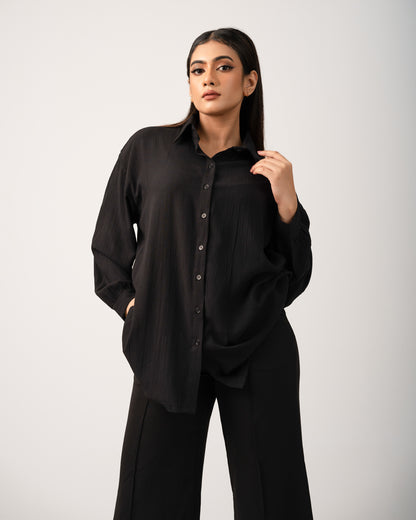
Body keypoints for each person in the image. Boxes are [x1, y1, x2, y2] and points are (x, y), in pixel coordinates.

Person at [91, 27, 314, 520]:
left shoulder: (269, 173)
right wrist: (136, 308)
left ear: (250, 82)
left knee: (273, 499)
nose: (208, 78)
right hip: (165, 346)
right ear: (189, 82)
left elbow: (295, 278)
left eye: (223, 66)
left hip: (257, 350)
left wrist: (289, 206)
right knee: (149, 501)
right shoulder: (147, 150)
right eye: (198, 69)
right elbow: (108, 247)